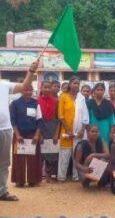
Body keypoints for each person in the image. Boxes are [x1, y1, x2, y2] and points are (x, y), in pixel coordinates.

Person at [0, 60, 39, 201]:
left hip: (5, 129)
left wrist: (31, 70)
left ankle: (2, 191)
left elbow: (24, 86)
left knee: (4, 163)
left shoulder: (4, 85)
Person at [57, 76, 89, 182]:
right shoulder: (63, 97)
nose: (76, 85)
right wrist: (67, 129)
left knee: (77, 154)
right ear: (70, 84)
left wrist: (82, 130)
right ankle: (61, 177)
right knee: (64, 154)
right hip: (66, 131)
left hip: (78, 132)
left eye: (78, 83)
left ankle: (76, 176)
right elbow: (60, 115)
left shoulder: (81, 98)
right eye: (74, 83)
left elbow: (85, 116)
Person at [10, 85, 42, 187]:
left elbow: (39, 120)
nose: (28, 91)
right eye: (26, 89)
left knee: (33, 158)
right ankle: (20, 180)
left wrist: (37, 135)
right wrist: (18, 134)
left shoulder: (36, 103)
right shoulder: (15, 103)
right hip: (19, 135)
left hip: (32, 135)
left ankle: (33, 180)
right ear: (21, 91)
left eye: (30, 90)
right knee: (19, 158)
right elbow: (13, 120)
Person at [38, 81, 60, 183]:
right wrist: (39, 134)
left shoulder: (56, 101)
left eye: (48, 88)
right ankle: (38, 176)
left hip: (52, 129)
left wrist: (56, 134)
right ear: (41, 88)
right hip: (41, 128)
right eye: (45, 87)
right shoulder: (36, 101)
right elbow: (36, 119)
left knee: (51, 154)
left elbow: (58, 118)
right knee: (40, 154)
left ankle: (48, 176)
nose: (47, 89)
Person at [87, 83, 115, 148]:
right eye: (97, 90)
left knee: (105, 147)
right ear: (94, 91)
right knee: (92, 147)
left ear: (104, 91)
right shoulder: (89, 103)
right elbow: (86, 118)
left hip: (105, 130)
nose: (99, 92)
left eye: (101, 90)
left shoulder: (108, 104)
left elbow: (112, 119)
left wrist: (111, 132)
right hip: (92, 130)